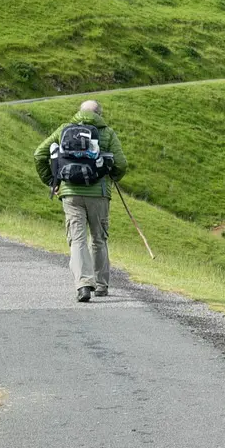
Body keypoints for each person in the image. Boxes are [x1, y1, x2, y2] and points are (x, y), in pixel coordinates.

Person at [34, 100, 128, 302]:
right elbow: (121, 163)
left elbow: (39, 154)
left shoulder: (63, 129)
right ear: (100, 114)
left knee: (77, 240)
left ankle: (83, 284)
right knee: (99, 239)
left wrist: (52, 181)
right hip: (99, 194)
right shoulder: (107, 133)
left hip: (70, 193)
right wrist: (112, 176)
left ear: (79, 113)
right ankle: (101, 285)